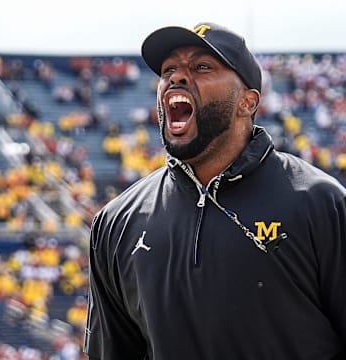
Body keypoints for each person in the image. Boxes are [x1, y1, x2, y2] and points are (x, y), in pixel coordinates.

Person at [84, 22, 346, 360]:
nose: (177, 77)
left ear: (247, 102)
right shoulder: (116, 222)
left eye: (201, 67)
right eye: (169, 70)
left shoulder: (321, 203)